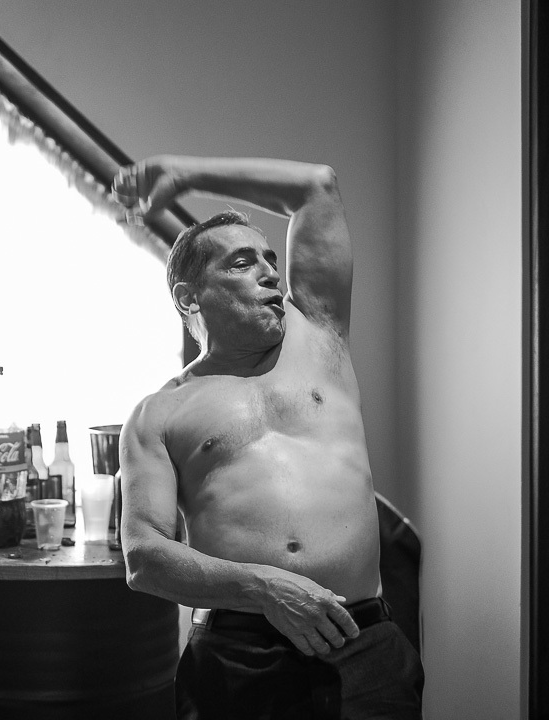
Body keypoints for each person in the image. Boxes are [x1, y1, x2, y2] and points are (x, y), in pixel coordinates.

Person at [112, 155, 424, 719]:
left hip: (361, 644)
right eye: (242, 262)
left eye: (270, 260)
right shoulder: (158, 413)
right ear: (189, 297)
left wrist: (183, 176)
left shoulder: (319, 335)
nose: (269, 273)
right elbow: (144, 557)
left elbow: (316, 185)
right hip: (236, 659)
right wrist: (263, 588)